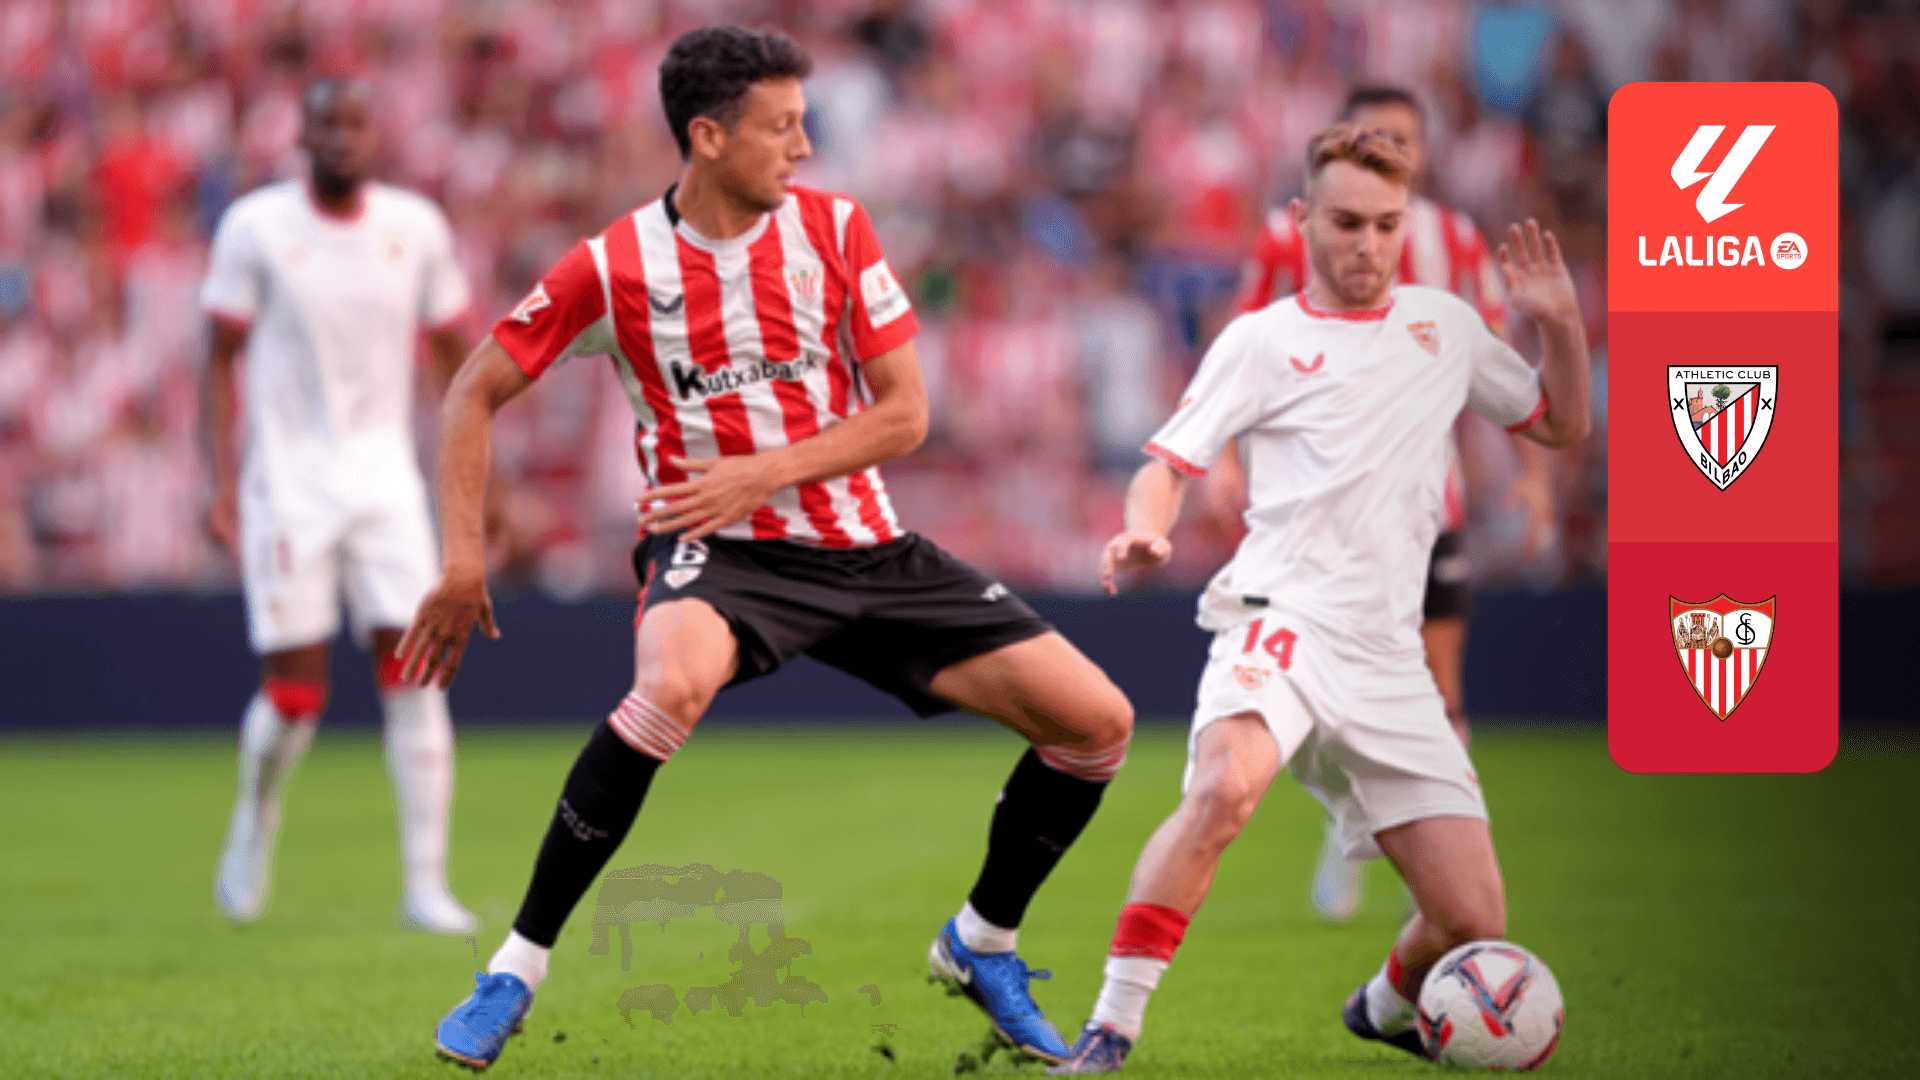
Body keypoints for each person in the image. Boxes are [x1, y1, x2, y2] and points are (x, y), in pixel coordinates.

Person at [398, 26, 1133, 1071]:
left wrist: (766, 469)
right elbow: (472, 389)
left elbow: (906, 414)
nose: (804, 146)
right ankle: (512, 972)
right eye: (781, 127)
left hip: (866, 548)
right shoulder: (613, 266)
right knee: (668, 685)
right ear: (709, 136)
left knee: (1098, 725)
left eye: (804, 123)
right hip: (723, 552)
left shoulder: (835, 229)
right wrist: (463, 561)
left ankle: (981, 941)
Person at [1048, 124, 1590, 1073]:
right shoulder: (1261, 341)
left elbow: (1561, 424)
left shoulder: (1443, 328)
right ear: (1302, 220)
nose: (1369, 244)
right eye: (1346, 222)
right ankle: (1111, 1027)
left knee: (1472, 919)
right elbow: (1168, 463)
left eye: (1387, 224)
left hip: (1390, 657)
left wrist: (1562, 324)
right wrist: (1145, 528)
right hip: (1281, 620)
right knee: (1223, 790)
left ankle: (1380, 1007)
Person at [1227, 85, 1557, 922]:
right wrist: (1224, 460)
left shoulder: (1456, 241)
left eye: (1405, 139)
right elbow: (1240, 347)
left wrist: (1533, 473)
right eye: (1380, 137)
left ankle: (1439, 887)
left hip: (1428, 507)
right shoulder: (1287, 237)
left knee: (1441, 690)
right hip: (1317, 513)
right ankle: (1348, 823)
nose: (1395, 152)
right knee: (1312, 692)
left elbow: (1495, 363)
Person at [199, 77, 477, 934]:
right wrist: (219, 481)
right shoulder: (256, 228)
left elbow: (458, 360)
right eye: (328, 126)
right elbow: (218, 358)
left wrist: (482, 484)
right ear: (303, 138)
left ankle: (425, 885)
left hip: (386, 481)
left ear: (374, 136)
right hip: (288, 484)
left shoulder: (415, 228)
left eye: (356, 125)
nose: (343, 140)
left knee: (417, 676)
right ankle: (255, 820)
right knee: (295, 696)